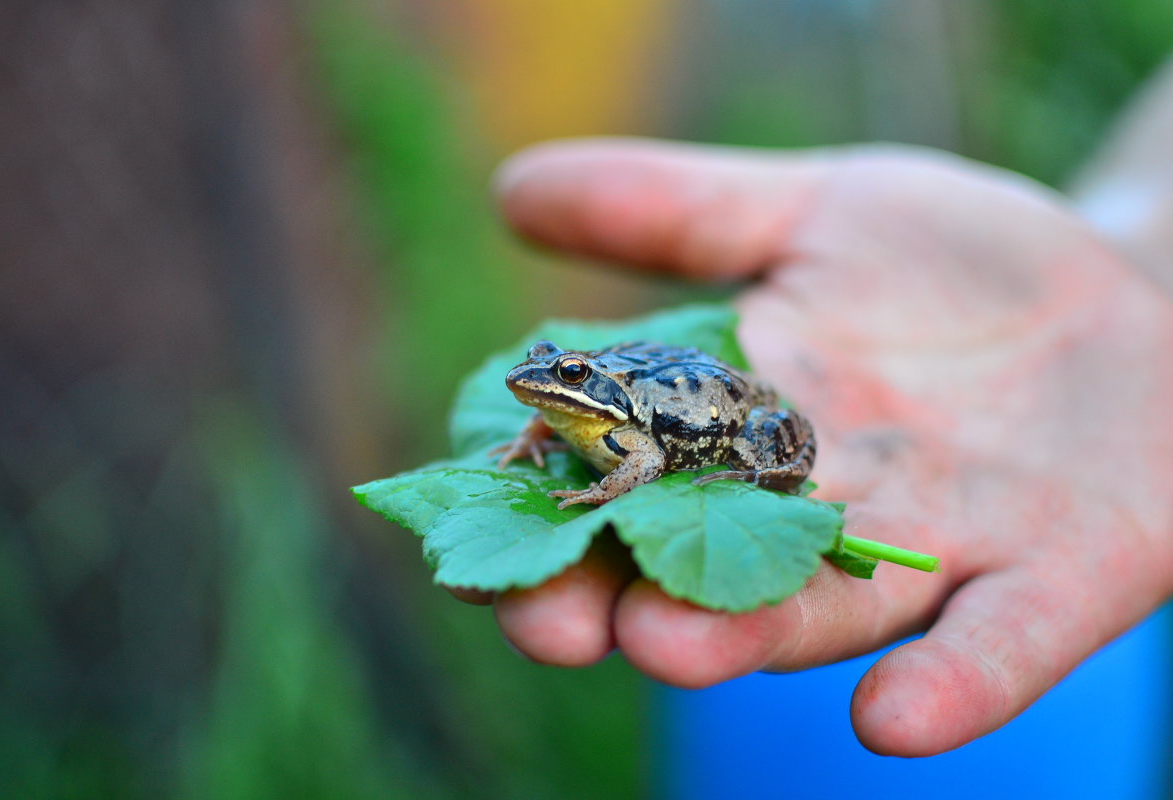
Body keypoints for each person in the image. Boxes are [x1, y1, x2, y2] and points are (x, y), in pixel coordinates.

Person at [449, 65, 1173, 787]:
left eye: (571, 377)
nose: (548, 384)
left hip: (720, 413)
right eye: (552, 373)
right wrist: (533, 432)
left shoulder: (625, 435)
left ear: (594, 383)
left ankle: (766, 477)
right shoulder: (567, 413)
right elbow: (554, 415)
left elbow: (638, 464)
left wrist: (594, 495)